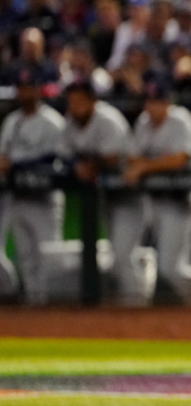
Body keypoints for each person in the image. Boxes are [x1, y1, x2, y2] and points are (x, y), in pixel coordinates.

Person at [121, 75, 191, 306]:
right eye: (148, 100)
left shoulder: (181, 120)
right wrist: (145, 165)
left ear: (167, 102)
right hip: (152, 201)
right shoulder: (143, 122)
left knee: (171, 267)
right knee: (138, 257)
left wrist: (146, 166)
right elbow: (132, 157)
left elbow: (179, 159)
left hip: (179, 200)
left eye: (157, 101)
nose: (151, 106)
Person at [57, 81, 138, 303]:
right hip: (106, 197)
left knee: (122, 257)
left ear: (93, 100)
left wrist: (90, 165)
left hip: (130, 196)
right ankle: (129, 304)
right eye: (71, 101)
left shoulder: (108, 120)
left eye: (80, 101)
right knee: (117, 256)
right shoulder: (70, 122)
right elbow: (63, 153)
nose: (75, 106)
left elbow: (114, 157)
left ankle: (138, 308)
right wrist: (77, 165)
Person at [0, 65, 65, 304]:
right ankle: (34, 309)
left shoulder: (52, 121)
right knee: (26, 257)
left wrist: (15, 165)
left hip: (43, 199)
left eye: (28, 87)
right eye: (21, 87)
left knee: (49, 257)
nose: (24, 92)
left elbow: (56, 160)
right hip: (18, 196)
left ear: (38, 90)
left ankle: (54, 305)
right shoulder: (12, 121)